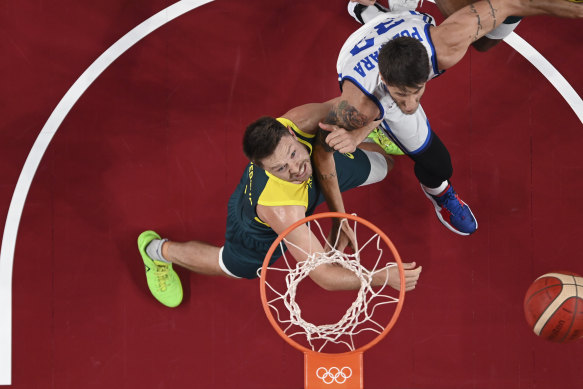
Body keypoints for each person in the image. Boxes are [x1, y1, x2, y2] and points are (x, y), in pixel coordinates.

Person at [314, 0, 583, 239]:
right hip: (363, 64)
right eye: (400, 96)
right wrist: (339, 218)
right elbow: (322, 154)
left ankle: (368, 11)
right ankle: (439, 192)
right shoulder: (355, 104)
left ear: (428, 71)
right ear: (384, 80)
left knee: (484, 43)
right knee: (439, 164)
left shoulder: (446, 42)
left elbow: (515, 4)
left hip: (397, 28)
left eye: (417, 92)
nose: (410, 105)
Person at [137, 99, 422, 308]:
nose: (295, 169)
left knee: (385, 165)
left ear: (291, 134)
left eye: (294, 154)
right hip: (259, 229)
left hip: (315, 177)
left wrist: (357, 131)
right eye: (280, 168)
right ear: (263, 168)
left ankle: (366, 141)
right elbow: (323, 276)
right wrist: (381, 277)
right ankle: (157, 252)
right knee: (230, 266)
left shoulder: (301, 120)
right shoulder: (280, 210)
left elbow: (358, 104)